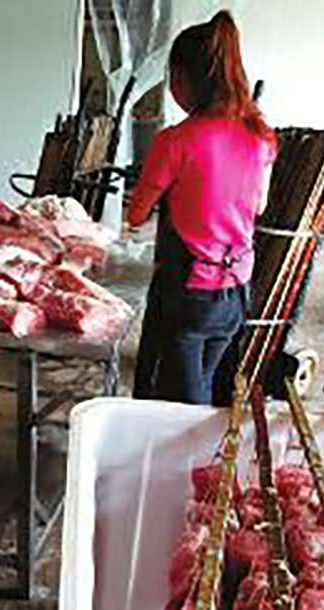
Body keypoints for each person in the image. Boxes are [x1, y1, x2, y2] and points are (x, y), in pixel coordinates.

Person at [126, 11, 276, 405]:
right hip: (238, 289)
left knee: (181, 402)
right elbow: (257, 206)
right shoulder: (260, 137)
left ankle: (183, 465)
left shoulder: (175, 141)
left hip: (190, 291)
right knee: (209, 387)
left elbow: (136, 215)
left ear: (184, 79)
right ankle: (203, 459)